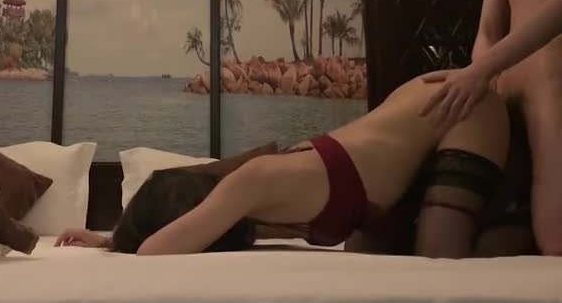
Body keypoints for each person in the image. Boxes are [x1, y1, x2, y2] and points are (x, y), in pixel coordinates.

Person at [56, 71, 510, 257]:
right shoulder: (256, 209)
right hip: (398, 161)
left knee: (440, 264)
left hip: (462, 107)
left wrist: (119, 244)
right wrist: (108, 238)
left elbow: (154, 252)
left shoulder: (251, 183)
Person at [419, 0, 562, 256]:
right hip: (504, 82)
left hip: (551, 80)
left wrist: (482, 69)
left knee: (555, 234)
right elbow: (488, 29)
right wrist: (478, 77)